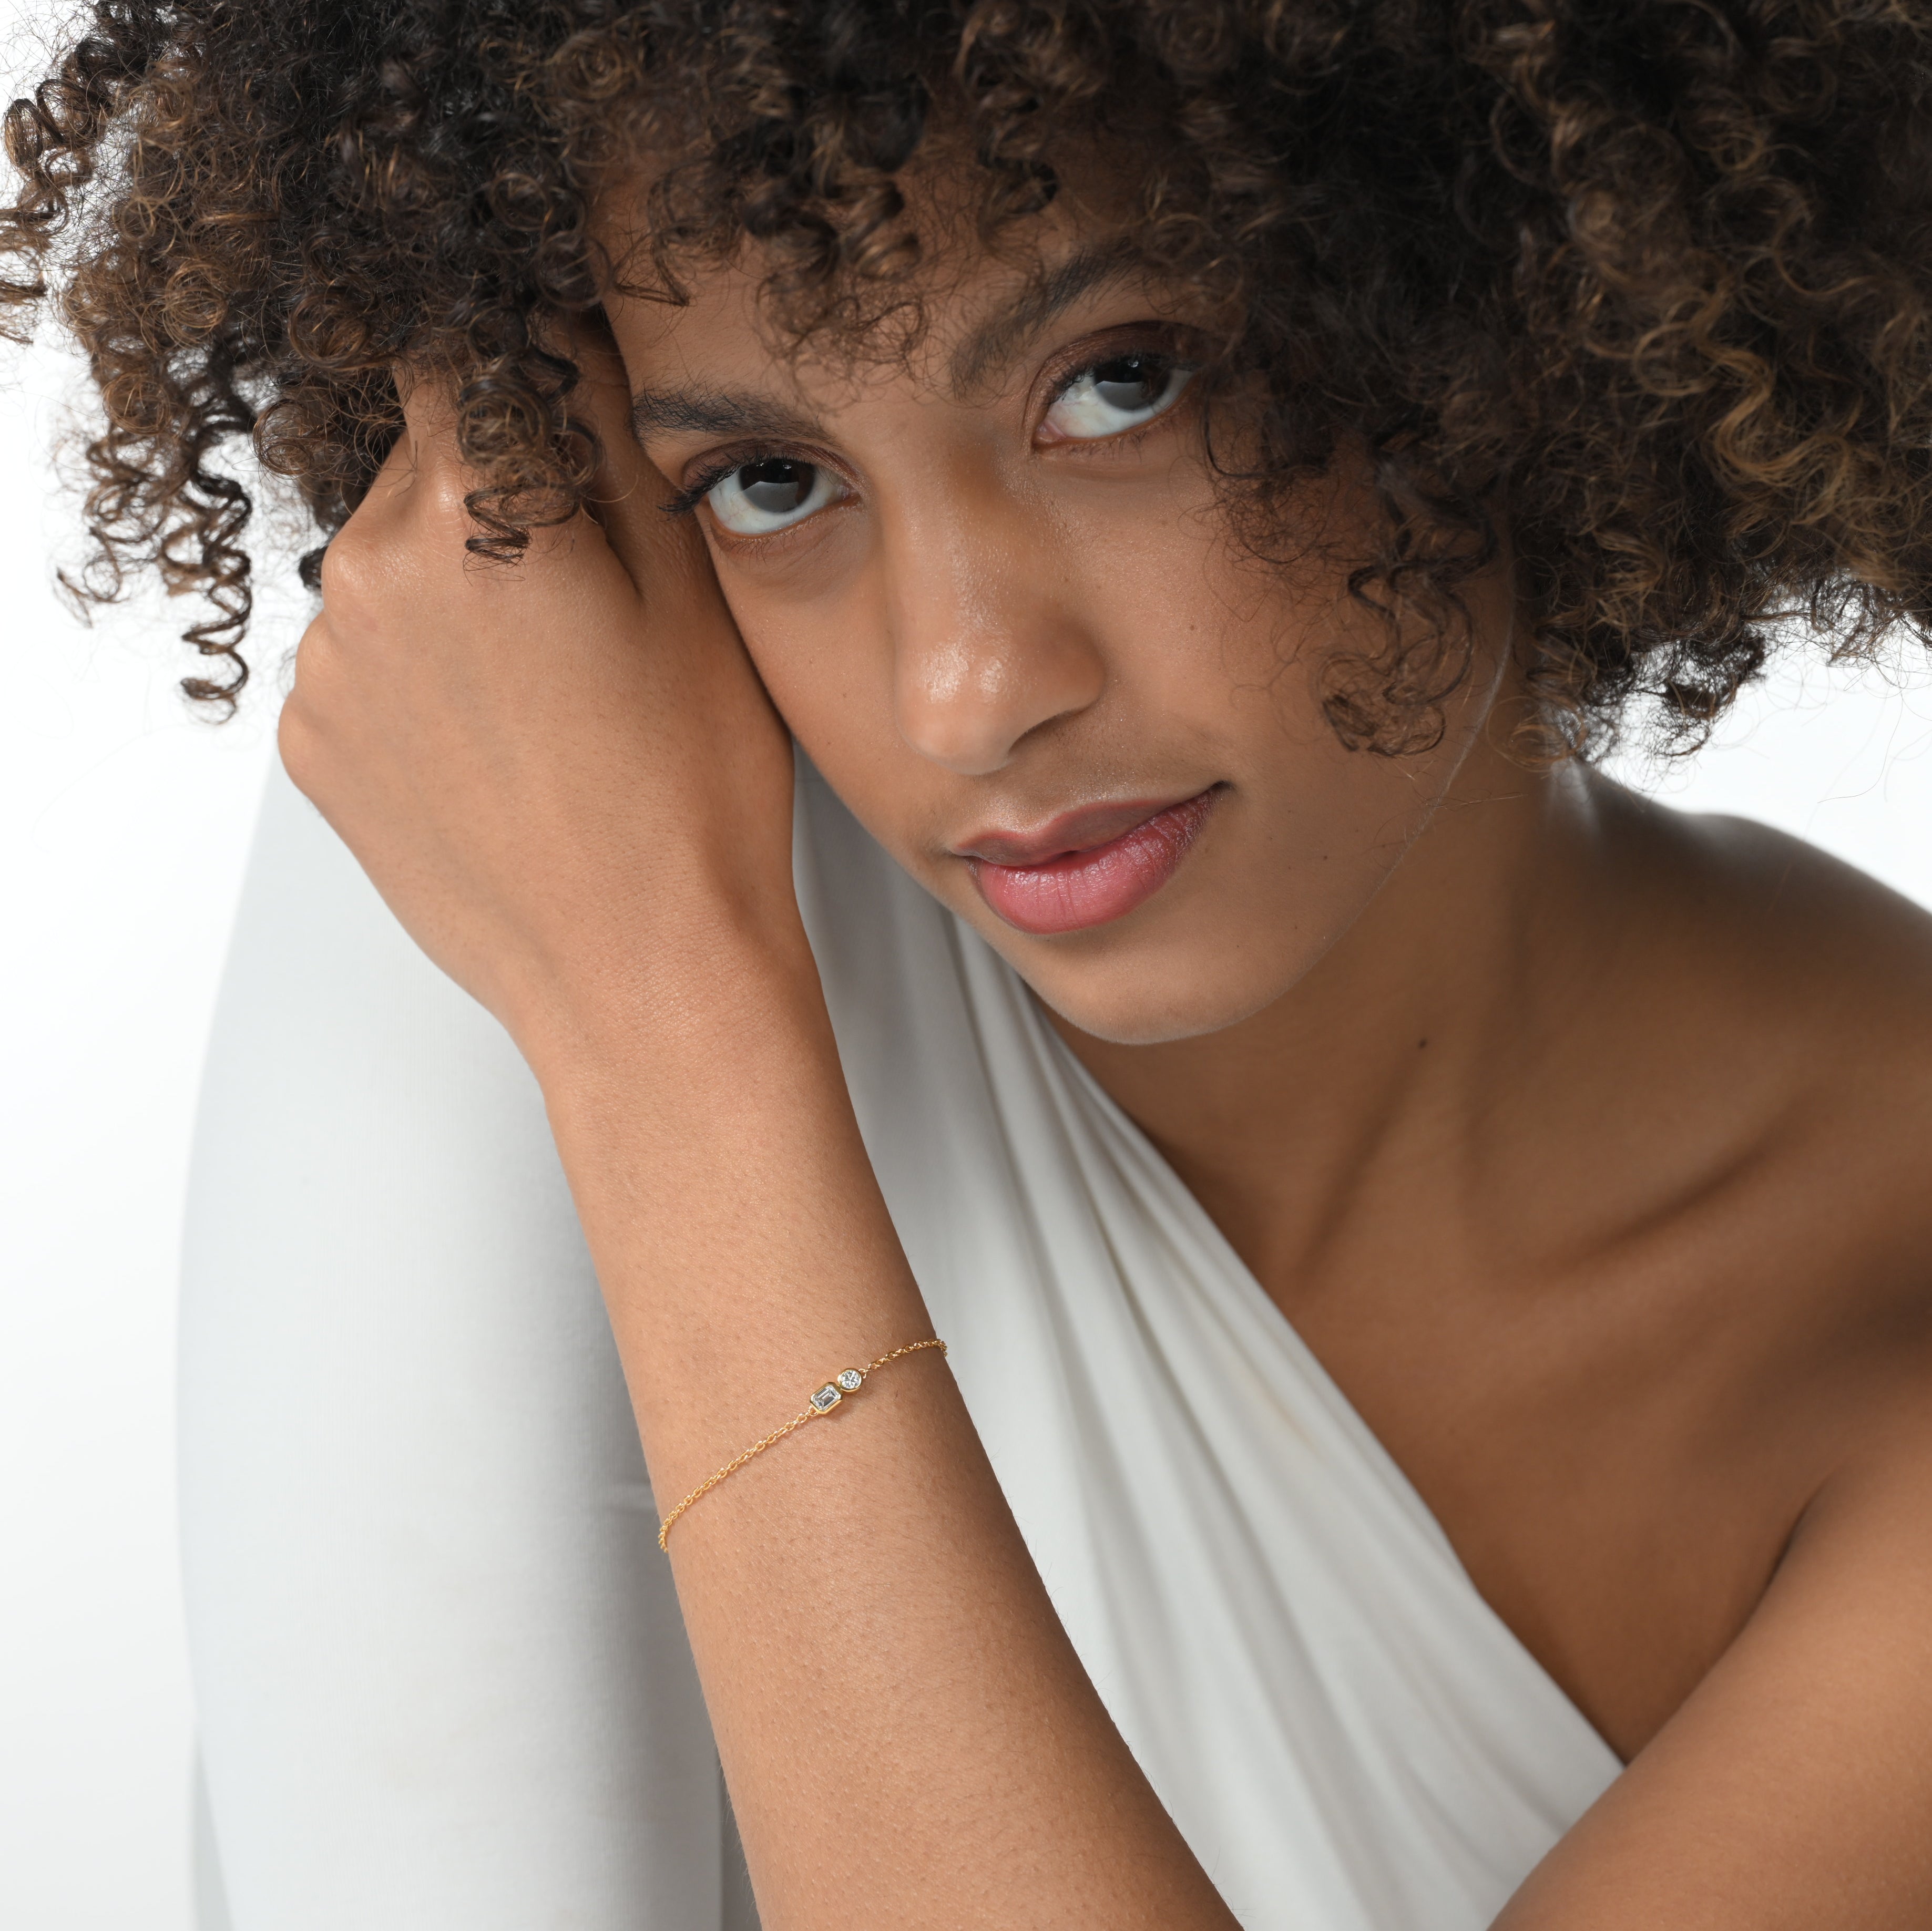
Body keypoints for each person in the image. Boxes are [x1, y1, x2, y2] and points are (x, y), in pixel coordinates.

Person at [7, 3, 1932, 1926]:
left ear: (1523, 288)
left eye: (1122, 386)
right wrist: (650, 1002)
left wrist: (668, 1047)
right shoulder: (557, 832)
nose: (965, 691)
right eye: (769, 480)